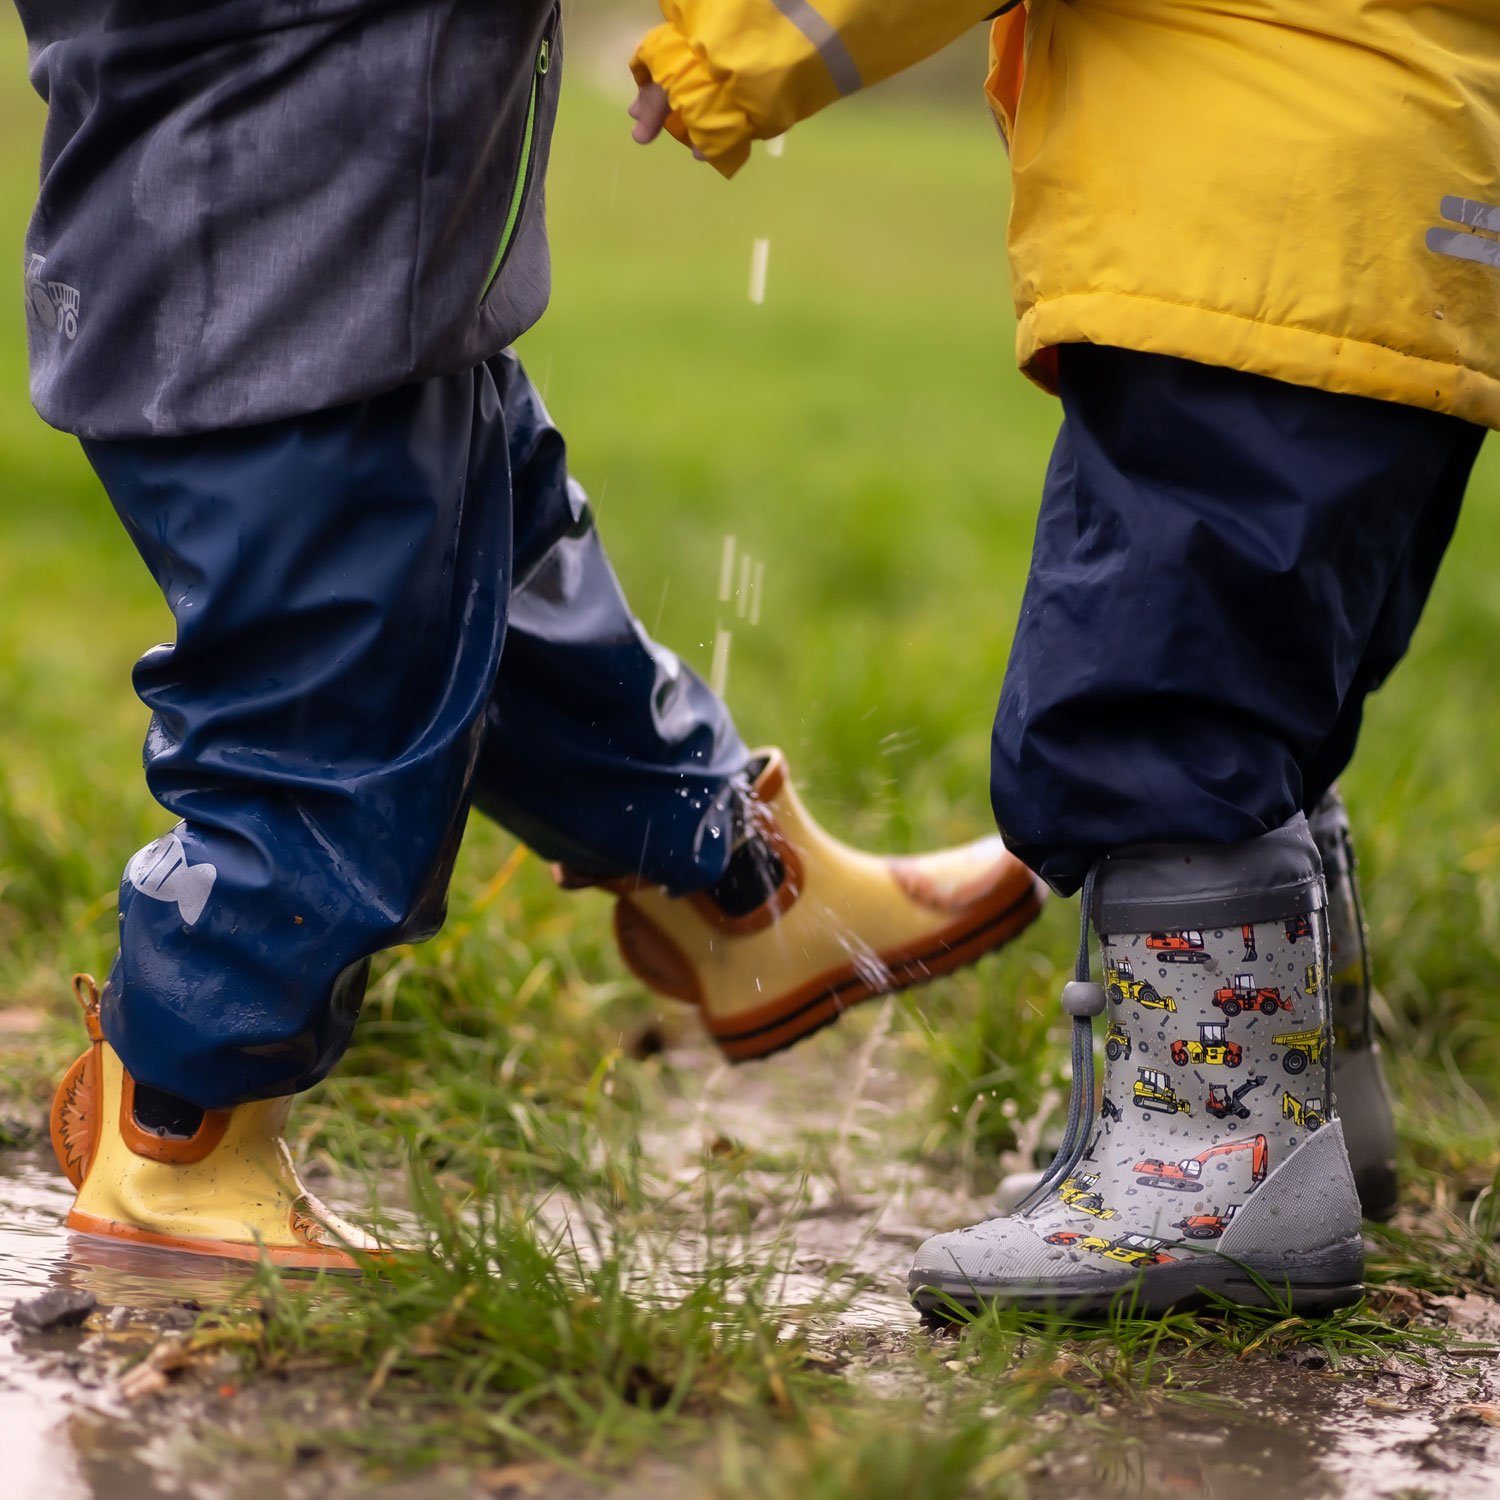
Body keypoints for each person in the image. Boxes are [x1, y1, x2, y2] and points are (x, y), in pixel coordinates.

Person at [16, 1, 1045, 1269]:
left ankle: (731, 878)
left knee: (499, 562)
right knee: (328, 694)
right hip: (264, 264)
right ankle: (181, 1133)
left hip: (356, 237)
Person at [628, 0, 1498, 1310]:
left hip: (1243, 242)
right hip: (1413, 234)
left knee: (1148, 706)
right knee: (1268, 706)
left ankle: (1206, 1172)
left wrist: (723, 50)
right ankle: (1306, 1120)